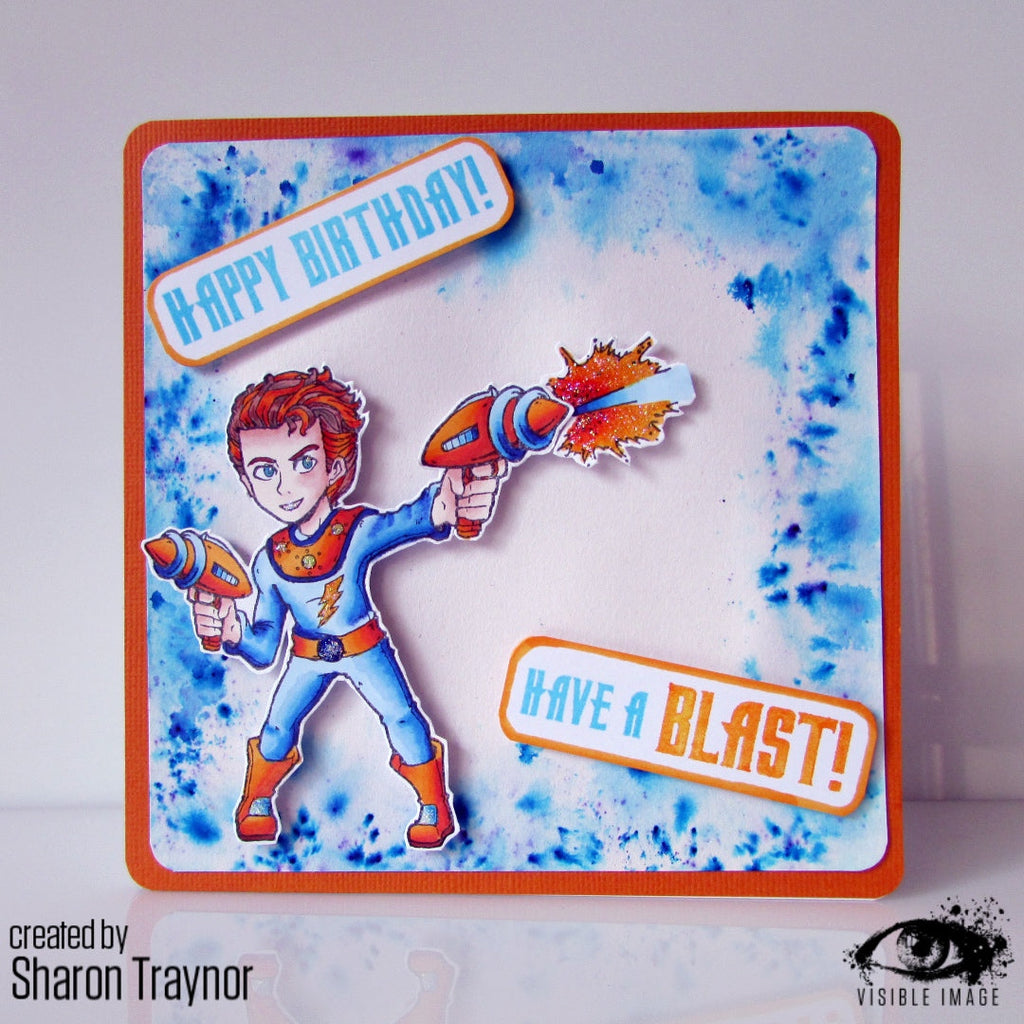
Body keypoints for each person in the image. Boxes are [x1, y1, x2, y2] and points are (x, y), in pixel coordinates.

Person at [189, 366, 503, 849]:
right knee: (276, 726)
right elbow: (264, 647)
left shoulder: (354, 530)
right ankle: (256, 800)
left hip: (363, 646)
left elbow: (414, 519)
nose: (284, 486)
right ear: (248, 481)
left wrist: (452, 496)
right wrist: (232, 631)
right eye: (265, 471)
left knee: (402, 718)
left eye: (303, 462)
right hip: (306, 655)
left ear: (335, 467)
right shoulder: (270, 561)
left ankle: (434, 805)